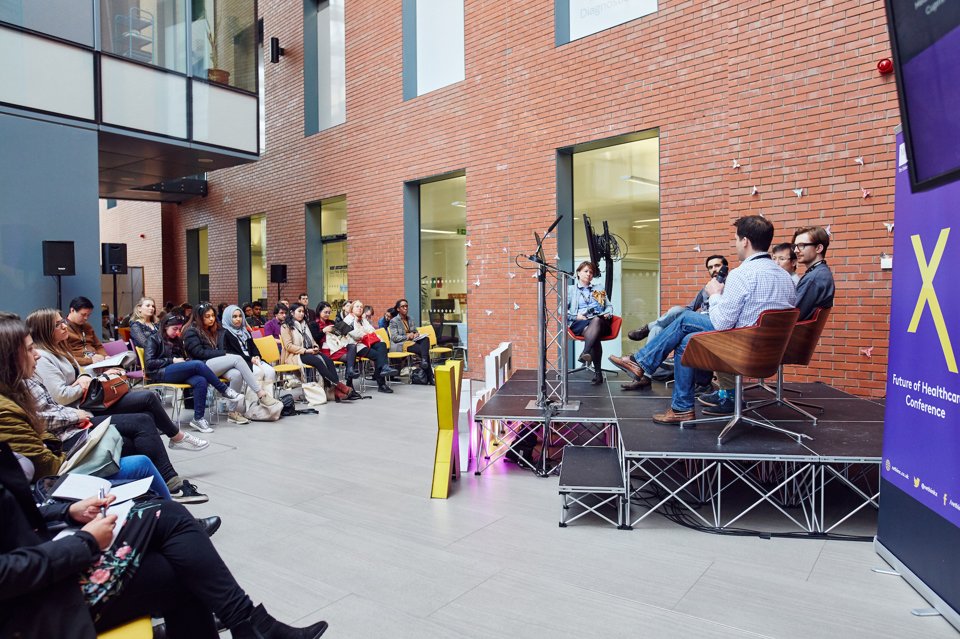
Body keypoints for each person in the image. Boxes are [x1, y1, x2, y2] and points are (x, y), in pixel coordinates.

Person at [0, 441, 329, 639]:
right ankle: (253, 625)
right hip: (33, 607)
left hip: (48, 567)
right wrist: (84, 543)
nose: (36, 356)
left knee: (178, 545)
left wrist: (68, 512)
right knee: (177, 548)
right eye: (29, 350)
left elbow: (21, 512)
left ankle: (252, 625)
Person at [608, 215, 797, 424]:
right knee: (686, 340)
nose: (735, 245)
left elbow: (722, 323)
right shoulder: (784, 277)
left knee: (684, 318)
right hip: (768, 351)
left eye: (736, 239)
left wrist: (715, 293)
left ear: (745, 241)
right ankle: (681, 408)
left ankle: (640, 362)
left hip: (741, 349)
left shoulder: (742, 274)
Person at [0, 316, 171, 498]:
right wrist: (78, 408)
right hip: (72, 425)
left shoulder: (55, 356)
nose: (36, 354)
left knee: (144, 412)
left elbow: (43, 424)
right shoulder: (12, 402)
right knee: (140, 437)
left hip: (77, 413)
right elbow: (57, 403)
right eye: (29, 349)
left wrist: (87, 377)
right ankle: (167, 485)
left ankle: (161, 492)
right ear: (7, 359)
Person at [26, 308, 210, 460]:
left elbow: (81, 373)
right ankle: (176, 441)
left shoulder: (60, 350)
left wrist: (97, 374)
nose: (65, 325)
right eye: (59, 324)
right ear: (45, 330)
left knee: (151, 404)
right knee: (152, 397)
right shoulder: (44, 358)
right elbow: (61, 395)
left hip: (88, 399)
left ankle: (163, 467)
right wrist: (84, 382)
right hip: (82, 409)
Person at [144, 315, 243, 434]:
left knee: (201, 380)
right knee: (197, 364)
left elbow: (183, 357)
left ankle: (198, 419)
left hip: (175, 371)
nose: (177, 332)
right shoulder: (153, 339)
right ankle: (224, 390)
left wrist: (184, 361)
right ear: (165, 327)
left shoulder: (177, 341)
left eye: (179, 329)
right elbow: (149, 363)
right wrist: (172, 360)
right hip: (161, 372)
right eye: (175, 329)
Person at [181, 304, 279, 424]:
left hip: (215, 363)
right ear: (199, 317)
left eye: (212, 315)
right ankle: (260, 393)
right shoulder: (191, 331)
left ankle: (232, 412)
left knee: (237, 374)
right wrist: (222, 354)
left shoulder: (214, 329)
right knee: (236, 358)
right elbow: (198, 353)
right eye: (207, 316)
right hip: (201, 366)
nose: (211, 319)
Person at [627, 254, 727, 343]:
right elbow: (689, 308)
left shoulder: (731, 286)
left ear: (725, 268)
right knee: (658, 328)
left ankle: (648, 327)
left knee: (676, 311)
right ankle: (643, 361)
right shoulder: (706, 288)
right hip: (696, 319)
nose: (714, 269)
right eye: (710, 267)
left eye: (717, 266)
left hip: (712, 323)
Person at [565, 262, 614, 384]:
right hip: (580, 322)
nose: (589, 274)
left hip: (600, 321)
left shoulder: (599, 288)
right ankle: (598, 374)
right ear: (578, 273)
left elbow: (609, 306)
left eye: (591, 272)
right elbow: (561, 310)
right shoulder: (571, 290)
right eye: (586, 271)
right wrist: (576, 316)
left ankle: (585, 352)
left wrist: (608, 313)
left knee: (596, 321)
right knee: (593, 334)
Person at [281, 303, 343, 390]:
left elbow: (312, 340)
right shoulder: (285, 326)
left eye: (303, 311)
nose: (302, 313)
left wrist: (315, 347)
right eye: (299, 311)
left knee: (328, 361)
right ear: (292, 313)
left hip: (309, 351)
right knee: (318, 362)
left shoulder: (305, 324)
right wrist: (306, 351)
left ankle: (334, 388)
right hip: (296, 354)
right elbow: (288, 346)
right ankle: (339, 387)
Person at [220, 304, 277, 395]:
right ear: (228, 318)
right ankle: (253, 403)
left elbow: (253, 346)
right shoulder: (225, 333)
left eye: (240, 316)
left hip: (252, 358)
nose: (238, 319)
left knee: (270, 371)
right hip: (240, 361)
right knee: (257, 372)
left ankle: (268, 401)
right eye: (234, 317)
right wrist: (250, 359)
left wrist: (257, 355)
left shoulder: (245, 331)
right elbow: (230, 354)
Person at [344, 300, 397, 393]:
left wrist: (365, 332)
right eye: (357, 306)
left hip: (367, 342)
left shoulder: (363, 319)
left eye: (361, 307)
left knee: (382, 345)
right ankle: (381, 383)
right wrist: (365, 333)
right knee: (378, 356)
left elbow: (372, 330)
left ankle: (384, 367)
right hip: (356, 345)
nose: (360, 308)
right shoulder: (348, 319)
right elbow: (355, 334)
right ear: (352, 309)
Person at [793, 225, 835, 321]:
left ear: (818, 248)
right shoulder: (822, 272)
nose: (795, 250)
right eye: (795, 246)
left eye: (801, 245)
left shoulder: (814, 278)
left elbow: (793, 316)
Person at [388, 298, 433, 385]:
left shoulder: (410, 319)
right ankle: (430, 377)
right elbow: (394, 338)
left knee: (425, 339)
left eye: (406, 306)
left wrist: (416, 334)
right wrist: (407, 336)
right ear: (398, 309)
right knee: (424, 351)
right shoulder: (394, 321)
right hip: (401, 344)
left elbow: (414, 330)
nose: (405, 308)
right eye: (403, 306)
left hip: (412, 341)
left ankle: (424, 361)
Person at [317, 301, 360, 382]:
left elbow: (339, 334)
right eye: (325, 312)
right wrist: (323, 330)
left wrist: (341, 331)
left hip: (336, 346)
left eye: (329, 312)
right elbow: (315, 338)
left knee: (352, 346)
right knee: (351, 358)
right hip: (326, 350)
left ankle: (349, 373)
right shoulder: (314, 324)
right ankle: (349, 380)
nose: (327, 314)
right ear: (319, 311)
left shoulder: (332, 322)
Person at [63, 296, 107, 366]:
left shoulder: (87, 326)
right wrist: (90, 360)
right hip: (80, 365)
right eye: (83, 315)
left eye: (88, 315)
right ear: (72, 310)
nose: (86, 318)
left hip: (96, 362)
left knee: (119, 371)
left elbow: (98, 346)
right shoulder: (63, 329)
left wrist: (105, 356)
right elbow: (66, 357)